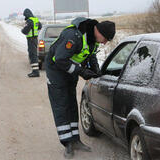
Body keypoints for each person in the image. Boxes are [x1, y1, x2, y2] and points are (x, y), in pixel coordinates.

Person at [45, 17, 115, 159]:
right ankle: (67, 143)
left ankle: (75, 139)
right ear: (99, 31)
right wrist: (81, 71)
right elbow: (59, 59)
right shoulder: (74, 36)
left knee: (71, 104)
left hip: (69, 71)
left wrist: (97, 71)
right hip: (56, 71)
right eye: (106, 38)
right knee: (62, 106)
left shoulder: (92, 39)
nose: (105, 42)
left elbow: (90, 56)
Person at [21, 8, 42, 77]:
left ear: (27, 14)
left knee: (32, 55)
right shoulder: (35, 19)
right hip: (35, 38)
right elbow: (40, 26)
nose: (25, 17)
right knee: (34, 54)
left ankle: (35, 72)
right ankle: (35, 71)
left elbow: (25, 31)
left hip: (31, 39)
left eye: (25, 15)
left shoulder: (29, 21)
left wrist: (22, 29)